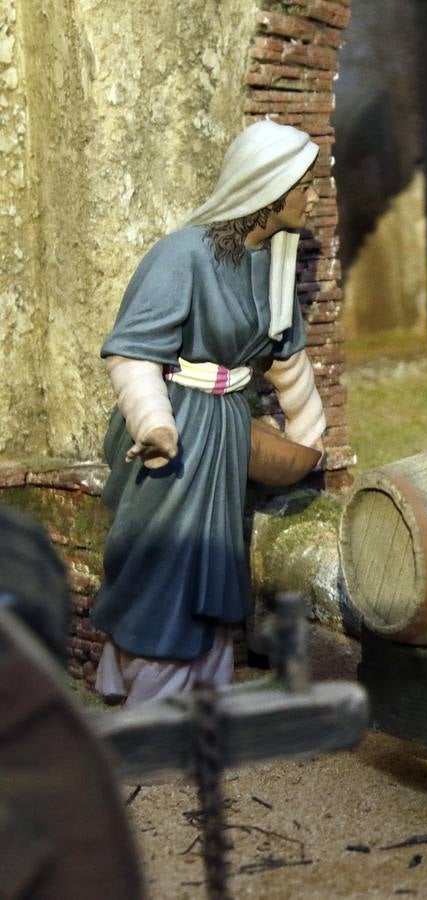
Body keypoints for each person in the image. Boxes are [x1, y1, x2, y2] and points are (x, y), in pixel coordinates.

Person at [92, 120, 326, 705]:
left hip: (223, 435)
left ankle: (198, 689)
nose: (314, 198)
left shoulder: (273, 266)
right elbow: (131, 352)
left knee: (211, 563)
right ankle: (149, 697)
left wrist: (311, 443)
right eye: (306, 186)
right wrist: (153, 424)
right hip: (176, 431)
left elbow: (288, 363)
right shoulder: (183, 255)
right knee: (163, 562)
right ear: (271, 191)